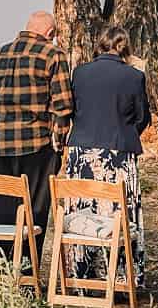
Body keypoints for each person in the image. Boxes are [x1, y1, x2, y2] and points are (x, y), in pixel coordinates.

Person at [62, 22, 150, 289]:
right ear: (125, 48)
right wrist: (125, 132)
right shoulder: (134, 77)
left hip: (81, 152)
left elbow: (73, 109)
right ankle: (123, 279)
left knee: (82, 213)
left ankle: (80, 276)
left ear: (99, 44)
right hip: (118, 154)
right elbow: (142, 117)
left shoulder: (80, 74)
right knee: (121, 215)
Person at [0, 10, 73, 271]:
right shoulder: (52, 55)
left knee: (1, 211)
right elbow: (64, 105)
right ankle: (26, 272)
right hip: (36, 146)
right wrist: (59, 139)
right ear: (50, 34)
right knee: (34, 210)